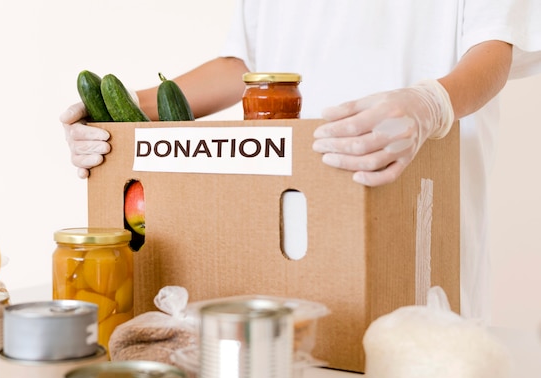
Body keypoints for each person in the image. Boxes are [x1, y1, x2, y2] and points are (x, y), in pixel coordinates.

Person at [61, 0, 541, 323]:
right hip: (288, 223)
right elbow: (242, 67)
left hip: (414, 202)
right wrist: (116, 114)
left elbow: (494, 45)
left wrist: (430, 103)